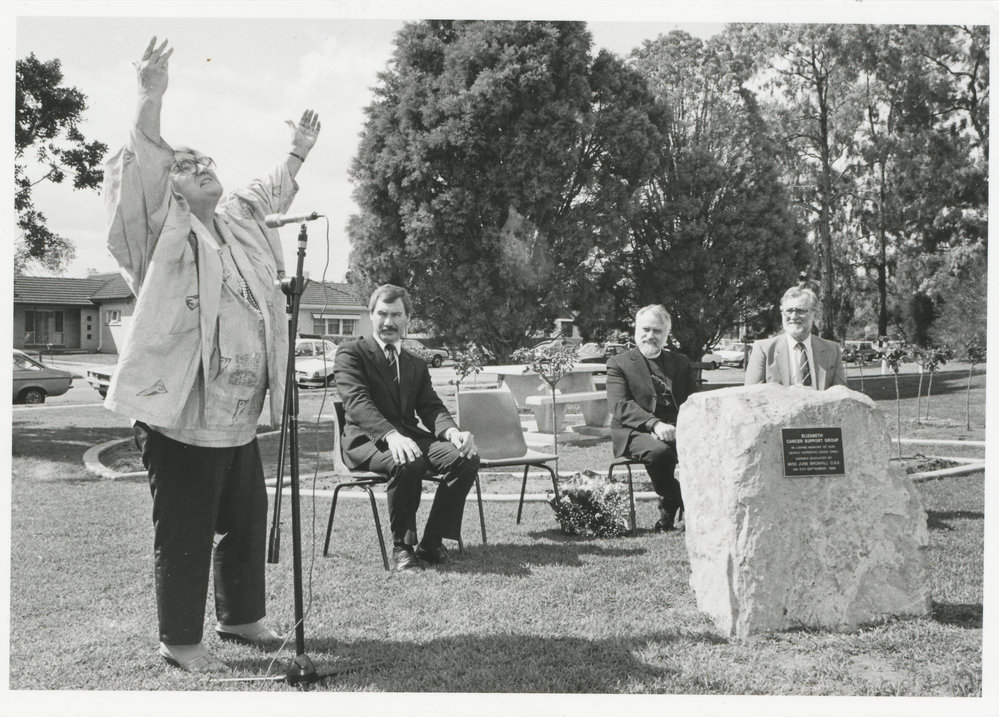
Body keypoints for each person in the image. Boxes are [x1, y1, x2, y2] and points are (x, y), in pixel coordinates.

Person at [102, 37, 321, 673]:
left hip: (235, 413)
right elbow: (138, 170)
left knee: (246, 520)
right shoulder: (155, 233)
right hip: (181, 414)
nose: (201, 165)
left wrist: (297, 152)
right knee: (187, 527)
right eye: (187, 162)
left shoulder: (237, 224)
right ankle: (179, 639)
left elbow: (264, 191)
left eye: (206, 159)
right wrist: (151, 95)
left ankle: (242, 616)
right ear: (165, 186)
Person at [333, 284, 479, 571]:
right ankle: (403, 547)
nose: (388, 322)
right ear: (371, 315)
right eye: (382, 314)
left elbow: (430, 406)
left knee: (466, 457)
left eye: (396, 315)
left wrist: (452, 432)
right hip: (367, 441)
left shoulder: (414, 361)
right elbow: (357, 401)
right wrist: (390, 435)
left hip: (409, 437)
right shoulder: (351, 353)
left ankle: (431, 543)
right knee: (407, 460)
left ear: (407, 319)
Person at [606, 305, 696, 532]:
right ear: (636, 330)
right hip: (634, 431)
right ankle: (677, 499)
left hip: (678, 429)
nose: (650, 336)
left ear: (667, 335)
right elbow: (620, 405)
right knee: (659, 452)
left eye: (657, 331)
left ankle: (680, 508)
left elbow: (694, 400)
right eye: (645, 329)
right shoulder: (619, 363)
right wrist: (654, 424)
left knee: (707, 449)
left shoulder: (681, 362)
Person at [744, 286, 848, 390]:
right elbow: (751, 397)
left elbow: (842, 395)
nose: (793, 316)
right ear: (782, 313)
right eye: (788, 311)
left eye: (801, 310)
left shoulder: (832, 350)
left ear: (815, 314)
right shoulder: (764, 350)